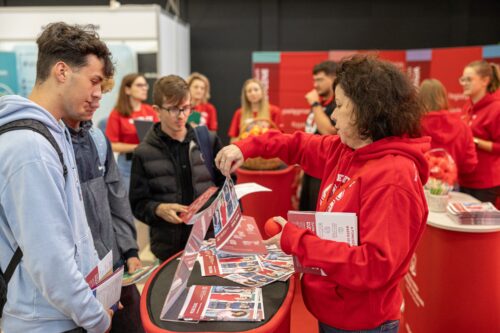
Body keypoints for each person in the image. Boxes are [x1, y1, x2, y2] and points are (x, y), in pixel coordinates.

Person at [216, 55, 430, 332]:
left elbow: (374, 266)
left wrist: (296, 240)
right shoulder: (346, 149)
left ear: (367, 110)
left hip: (361, 321)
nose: (333, 115)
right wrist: (246, 147)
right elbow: (297, 145)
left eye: (340, 106)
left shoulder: (393, 178)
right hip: (333, 308)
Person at [0, 22, 114, 333]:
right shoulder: (30, 146)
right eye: (94, 81)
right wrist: (96, 318)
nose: (98, 94)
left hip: (66, 314)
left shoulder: (57, 132)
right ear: (62, 71)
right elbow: (50, 260)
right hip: (47, 322)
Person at [62, 78, 145, 333]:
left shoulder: (97, 139)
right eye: (92, 84)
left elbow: (117, 198)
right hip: (75, 282)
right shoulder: (46, 144)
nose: (97, 96)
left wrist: (130, 249)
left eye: (102, 89)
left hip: (114, 266)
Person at [129, 75, 225, 262]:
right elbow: (137, 203)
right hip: (168, 249)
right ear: (157, 110)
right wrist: (158, 209)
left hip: (208, 243)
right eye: (173, 109)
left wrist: (216, 206)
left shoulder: (208, 141)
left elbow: (226, 185)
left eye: (186, 108)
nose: (181, 115)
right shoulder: (143, 152)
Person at [105, 73, 159, 190]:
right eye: (139, 85)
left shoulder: (150, 110)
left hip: (150, 162)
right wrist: (137, 147)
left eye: (145, 85)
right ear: (127, 90)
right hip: (128, 164)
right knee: (130, 204)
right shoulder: (117, 114)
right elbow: (112, 145)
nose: (145, 88)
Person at [419, 78, 478, 183]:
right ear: (444, 98)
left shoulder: (413, 125)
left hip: (419, 183)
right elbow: (469, 164)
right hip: (450, 185)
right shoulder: (462, 126)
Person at [458, 60, 500, 204]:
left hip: (485, 184)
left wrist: (473, 141)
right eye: (462, 79)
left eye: (469, 79)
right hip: (464, 179)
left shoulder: (496, 109)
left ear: (485, 81)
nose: (464, 83)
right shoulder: (467, 106)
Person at [301, 60, 338, 211]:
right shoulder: (321, 104)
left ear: (334, 78)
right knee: (306, 210)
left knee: (317, 214)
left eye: (320, 80)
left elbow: (329, 132)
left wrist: (315, 104)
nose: (315, 85)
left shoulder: (337, 104)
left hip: (325, 171)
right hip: (310, 168)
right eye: (314, 80)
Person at [227, 78, 281, 143]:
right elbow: (232, 140)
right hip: (245, 151)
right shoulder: (239, 113)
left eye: (256, 90)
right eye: (249, 91)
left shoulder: (274, 111)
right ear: (245, 95)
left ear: (262, 92)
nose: (253, 93)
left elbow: (279, 138)